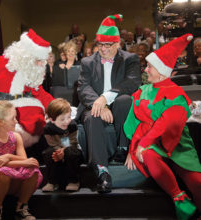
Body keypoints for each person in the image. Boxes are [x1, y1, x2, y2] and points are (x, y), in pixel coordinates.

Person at [124, 34, 201, 220]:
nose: (146, 69)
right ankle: (180, 200)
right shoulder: (142, 91)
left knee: (197, 183)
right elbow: (134, 121)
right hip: (149, 143)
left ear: (161, 71)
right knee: (149, 153)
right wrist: (132, 148)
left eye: (150, 66)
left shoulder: (177, 95)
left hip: (176, 142)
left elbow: (166, 124)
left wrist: (143, 143)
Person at [76, 14, 141, 193]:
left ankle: (122, 148)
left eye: (108, 45)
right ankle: (102, 171)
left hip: (116, 103)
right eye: (100, 45)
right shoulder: (88, 62)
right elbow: (83, 88)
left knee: (125, 100)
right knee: (93, 117)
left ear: (117, 43)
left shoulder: (130, 59)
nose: (103, 49)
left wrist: (106, 97)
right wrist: (100, 104)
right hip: (94, 106)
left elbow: (132, 83)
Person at [0, 29, 54, 147]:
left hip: (35, 126)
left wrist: (57, 107)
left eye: (42, 60)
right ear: (26, 56)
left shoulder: (31, 71)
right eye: (38, 60)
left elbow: (40, 93)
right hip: (7, 119)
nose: (41, 64)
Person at [0, 101, 42, 220]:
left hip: (11, 179)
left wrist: (8, 157)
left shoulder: (16, 136)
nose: (16, 121)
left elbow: (24, 159)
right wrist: (22, 161)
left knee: (33, 170)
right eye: (13, 118)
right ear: (0, 121)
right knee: (2, 172)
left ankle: (21, 208)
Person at [41, 98, 83, 192]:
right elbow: (52, 143)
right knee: (48, 153)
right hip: (56, 150)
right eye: (62, 119)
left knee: (71, 152)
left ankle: (73, 181)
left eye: (68, 117)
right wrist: (59, 153)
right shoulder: (48, 128)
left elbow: (73, 142)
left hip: (71, 149)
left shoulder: (72, 125)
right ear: (52, 120)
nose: (66, 121)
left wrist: (63, 152)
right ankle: (52, 182)